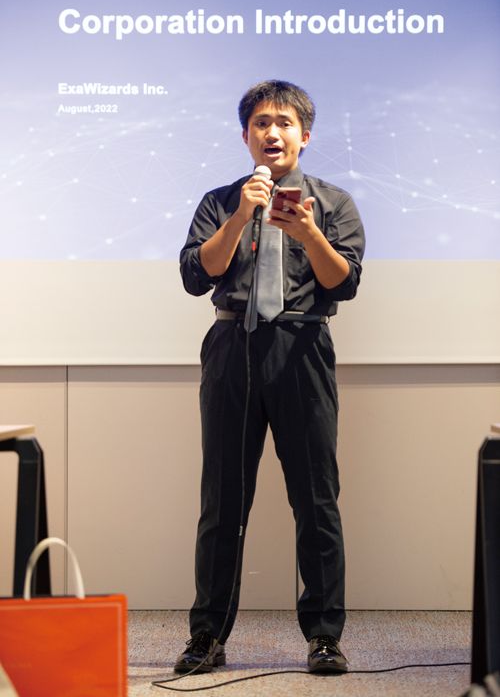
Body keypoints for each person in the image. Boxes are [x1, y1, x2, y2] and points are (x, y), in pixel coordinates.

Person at [176, 79, 365, 674]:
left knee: (316, 499)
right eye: (261, 123)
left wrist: (307, 232)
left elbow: (345, 284)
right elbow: (196, 275)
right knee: (222, 500)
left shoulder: (332, 202)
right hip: (232, 346)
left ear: (305, 135)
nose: (272, 133)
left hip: (302, 346)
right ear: (246, 136)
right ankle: (207, 635)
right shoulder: (221, 200)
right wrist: (240, 217)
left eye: (284, 123)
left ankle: (325, 636)